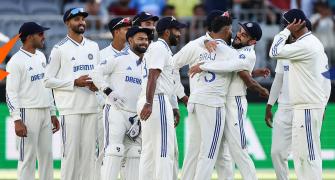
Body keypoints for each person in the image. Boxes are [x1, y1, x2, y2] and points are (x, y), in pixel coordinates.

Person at [269, 9, 331, 180]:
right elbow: (326, 80)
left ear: (295, 24)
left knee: (308, 157)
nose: (285, 28)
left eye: (287, 25)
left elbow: (273, 52)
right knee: (302, 156)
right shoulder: (313, 44)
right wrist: (323, 104)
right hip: (305, 107)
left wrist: (285, 32)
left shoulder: (306, 45)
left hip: (307, 108)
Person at [172, 10, 234, 180]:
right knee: (209, 152)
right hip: (212, 104)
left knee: (194, 151)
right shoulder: (222, 50)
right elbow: (171, 66)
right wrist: (181, 94)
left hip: (196, 102)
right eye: (228, 24)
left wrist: (183, 95)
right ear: (224, 27)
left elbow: (171, 66)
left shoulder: (200, 44)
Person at [203, 21, 269, 180]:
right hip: (221, 101)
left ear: (253, 41)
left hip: (235, 102)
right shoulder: (236, 48)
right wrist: (205, 40)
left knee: (239, 149)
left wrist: (204, 66)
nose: (238, 35)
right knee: (221, 151)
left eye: (244, 34)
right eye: (239, 31)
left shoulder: (248, 53)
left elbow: (236, 70)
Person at [44, 8, 100, 180]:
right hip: (71, 109)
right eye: (76, 19)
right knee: (70, 155)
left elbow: (98, 76)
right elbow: (47, 81)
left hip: (92, 107)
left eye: (82, 19)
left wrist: (97, 85)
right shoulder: (59, 49)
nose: (81, 22)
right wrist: (74, 82)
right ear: (67, 23)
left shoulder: (93, 46)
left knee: (91, 156)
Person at [92, 26, 151, 180]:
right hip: (116, 112)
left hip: (136, 117)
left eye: (146, 39)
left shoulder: (149, 63)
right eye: (140, 39)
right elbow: (95, 73)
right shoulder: (119, 57)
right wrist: (109, 92)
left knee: (134, 153)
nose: (144, 42)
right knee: (114, 150)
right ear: (130, 40)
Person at [5, 22, 59, 180]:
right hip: (27, 113)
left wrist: (52, 112)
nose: (44, 37)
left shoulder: (41, 56)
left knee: (47, 157)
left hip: (44, 113)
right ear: (29, 37)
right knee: (27, 158)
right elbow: (11, 93)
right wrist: (17, 120)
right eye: (41, 34)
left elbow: (47, 87)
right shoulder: (15, 62)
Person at [138, 16, 186, 180]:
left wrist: (174, 106)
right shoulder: (159, 47)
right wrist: (149, 103)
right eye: (176, 30)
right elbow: (153, 76)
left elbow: (166, 80)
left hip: (154, 99)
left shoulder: (159, 48)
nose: (179, 34)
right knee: (164, 150)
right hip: (156, 100)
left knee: (149, 152)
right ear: (166, 32)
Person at [93, 16, 132, 180]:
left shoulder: (134, 53)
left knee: (130, 154)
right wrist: (105, 103)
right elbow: (94, 82)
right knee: (105, 151)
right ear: (116, 31)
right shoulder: (101, 55)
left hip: (130, 112)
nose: (130, 31)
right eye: (126, 28)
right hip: (107, 111)